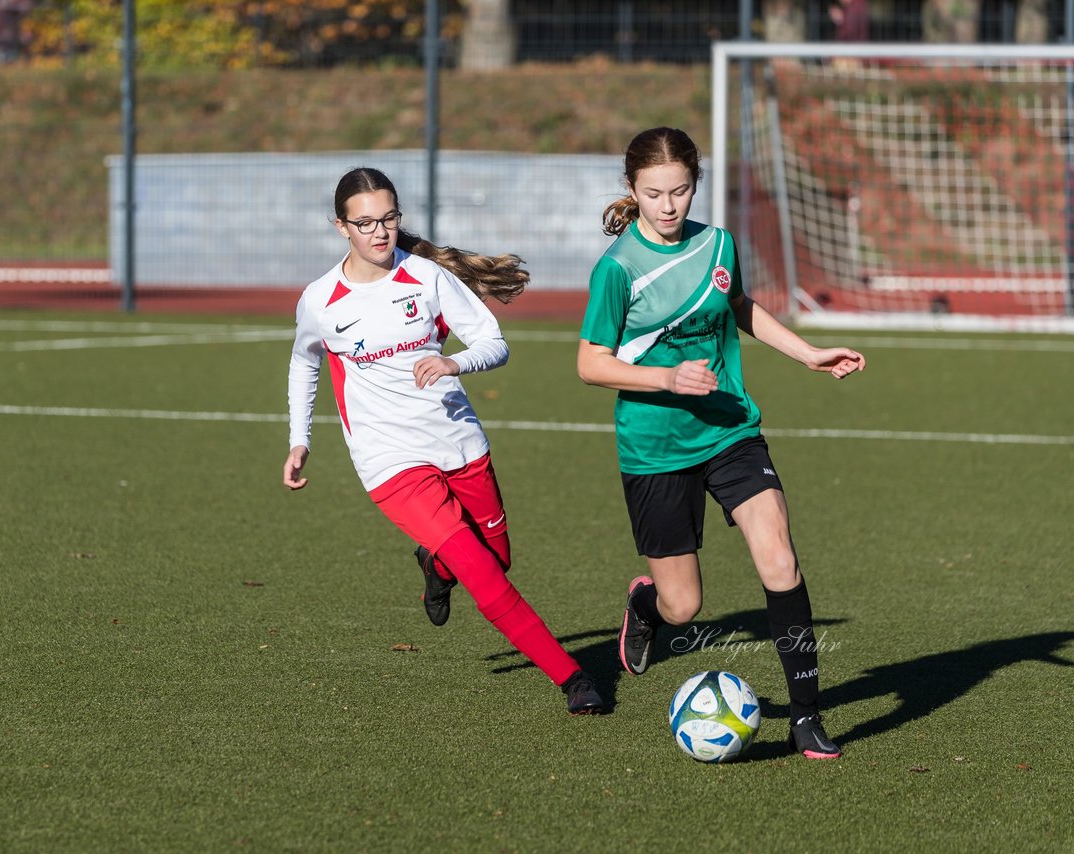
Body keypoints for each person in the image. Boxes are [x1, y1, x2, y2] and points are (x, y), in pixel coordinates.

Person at [576, 128, 866, 757]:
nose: (668, 205)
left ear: (695, 184)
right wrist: (666, 378)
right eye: (653, 194)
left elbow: (737, 306)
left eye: (679, 190)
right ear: (632, 191)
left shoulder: (718, 243)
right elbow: (590, 363)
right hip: (654, 448)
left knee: (779, 558)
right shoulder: (617, 269)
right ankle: (647, 607)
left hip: (731, 429)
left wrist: (807, 354)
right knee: (684, 607)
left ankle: (807, 716)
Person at [283, 166, 605, 715]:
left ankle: (435, 567)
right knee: (481, 573)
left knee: (496, 558)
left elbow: (493, 343)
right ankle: (573, 678)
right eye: (365, 223)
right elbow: (303, 361)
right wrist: (299, 438)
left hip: (458, 441)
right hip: (388, 460)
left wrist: (453, 360)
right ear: (341, 227)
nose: (379, 232)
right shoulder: (320, 299)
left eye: (389, 218)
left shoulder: (428, 278)